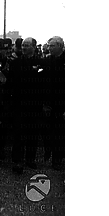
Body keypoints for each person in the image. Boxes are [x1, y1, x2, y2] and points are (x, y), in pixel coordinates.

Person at [9, 37, 47, 174]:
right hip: (19, 104)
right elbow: (11, 84)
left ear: (34, 47)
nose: (24, 48)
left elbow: (45, 84)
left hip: (35, 105)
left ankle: (30, 159)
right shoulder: (16, 63)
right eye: (23, 45)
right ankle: (17, 160)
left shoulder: (41, 63)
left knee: (33, 133)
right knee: (18, 133)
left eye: (27, 45)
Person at [42, 36, 65, 170]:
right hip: (49, 102)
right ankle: (48, 153)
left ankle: (57, 159)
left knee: (60, 133)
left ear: (60, 46)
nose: (49, 48)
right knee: (48, 131)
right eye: (49, 46)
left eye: (52, 46)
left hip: (61, 104)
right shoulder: (47, 61)